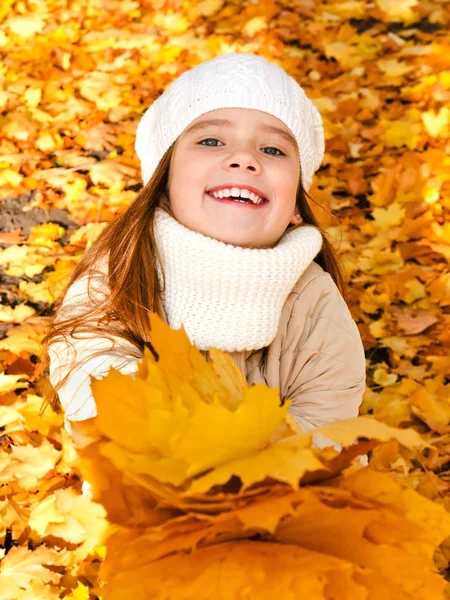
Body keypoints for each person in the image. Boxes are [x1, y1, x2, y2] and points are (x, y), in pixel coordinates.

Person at [42, 53, 366, 443]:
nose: (244, 159)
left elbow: (329, 431)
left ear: (297, 205)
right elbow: (97, 389)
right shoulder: (119, 273)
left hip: (282, 495)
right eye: (211, 140)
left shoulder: (314, 305)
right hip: (143, 488)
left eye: (273, 150)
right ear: (162, 181)